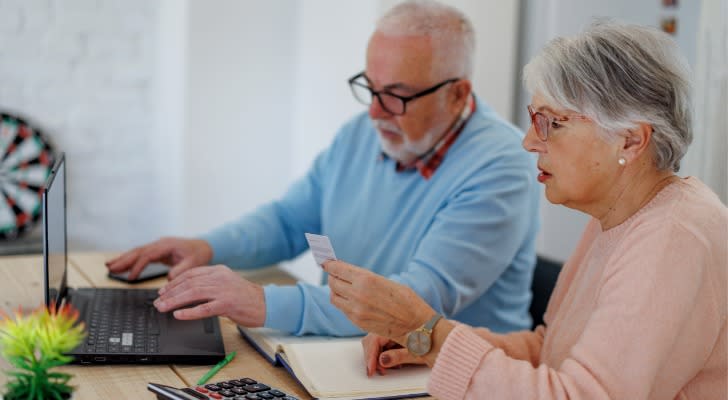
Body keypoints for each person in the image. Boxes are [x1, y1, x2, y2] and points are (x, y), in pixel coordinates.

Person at [325, 21, 727, 398]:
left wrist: (427, 333)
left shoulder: (673, 239)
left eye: (552, 123)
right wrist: (426, 341)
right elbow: (548, 351)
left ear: (630, 141)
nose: (529, 142)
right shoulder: (619, 216)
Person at [106, 0, 540, 336]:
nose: (374, 112)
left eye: (396, 95)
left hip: (444, 378)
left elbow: (410, 304)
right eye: (370, 87)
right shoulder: (363, 132)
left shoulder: (501, 169)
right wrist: (205, 247)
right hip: (352, 354)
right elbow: (290, 222)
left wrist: (261, 302)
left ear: (457, 94)